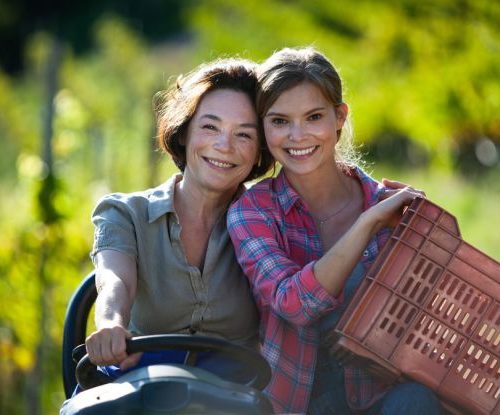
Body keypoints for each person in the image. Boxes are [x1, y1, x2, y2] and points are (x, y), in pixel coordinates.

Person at [227, 47, 442, 414]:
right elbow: (293, 304)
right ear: (263, 127)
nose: (298, 136)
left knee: (416, 401)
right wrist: (367, 223)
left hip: (381, 395)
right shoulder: (252, 212)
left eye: (313, 117)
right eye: (279, 121)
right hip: (298, 402)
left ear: (339, 117)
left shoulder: (392, 206)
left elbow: (429, 323)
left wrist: (431, 240)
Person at [80, 58, 274, 387]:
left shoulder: (271, 219)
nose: (224, 146)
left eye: (244, 135)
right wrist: (111, 323)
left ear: (259, 151)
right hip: (145, 383)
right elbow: (115, 281)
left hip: (239, 392)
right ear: (184, 132)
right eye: (210, 127)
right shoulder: (127, 213)